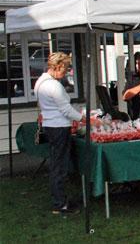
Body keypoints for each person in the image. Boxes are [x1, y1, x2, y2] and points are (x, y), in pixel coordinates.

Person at [35, 52, 83, 214]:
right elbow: (66, 110)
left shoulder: (40, 82)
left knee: (57, 164)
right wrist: (84, 119)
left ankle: (59, 200)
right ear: (58, 67)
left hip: (50, 125)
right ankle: (60, 203)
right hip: (59, 127)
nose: (66, 72)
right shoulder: (54, 86)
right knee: (59, 166)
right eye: (65, 69)